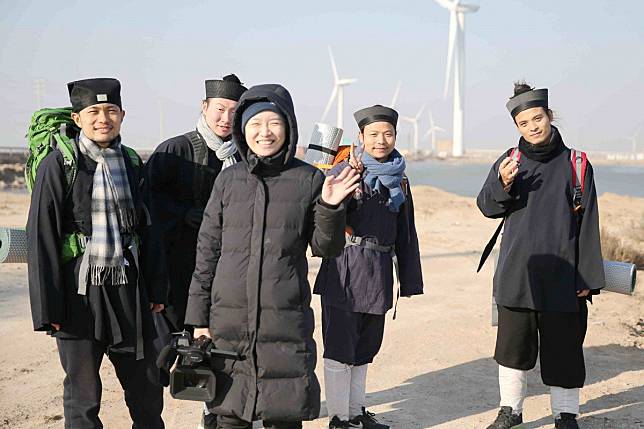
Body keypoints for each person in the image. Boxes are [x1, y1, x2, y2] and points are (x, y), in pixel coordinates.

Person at [184, 83, 361, 429]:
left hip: (285, 323)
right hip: (228, 324)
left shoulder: (309, 178)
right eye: (255, 124)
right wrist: (198, 319)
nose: (264, 133)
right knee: (229, 416)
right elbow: (206, 253)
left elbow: (326, 247)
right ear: (242, 130)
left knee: (284, 416)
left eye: (274, 124)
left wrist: (330, 206)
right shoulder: (228, 181)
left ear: (288, 126)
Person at [27, 78, 167, 428]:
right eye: (93, 112)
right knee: (83, 397)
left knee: (147, 390)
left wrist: (158, 290)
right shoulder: (60, 165)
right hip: (78, 296)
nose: (103, 118)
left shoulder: (132, 162)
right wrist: (48, 308)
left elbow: (148, 229)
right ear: (77, 118)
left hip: (129, 290)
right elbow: (41, 236)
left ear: (122, 115)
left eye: (110, 111)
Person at [477, 82, 604, 429]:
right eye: (524, 123)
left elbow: (589, 222)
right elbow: (486, 207)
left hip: (564, 277)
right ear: (517, 127)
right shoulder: (509, 161)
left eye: (538, 118)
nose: (533, 126)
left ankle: (566, 415)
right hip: (518, 273)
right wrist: (502, 184)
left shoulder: (577, 163)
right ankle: (511, 411)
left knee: (564, 352)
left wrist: (587, 279)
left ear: (549, 115)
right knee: (512, 351)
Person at [313, 105, 424, 429]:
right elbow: (327, 216)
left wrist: (410, 279)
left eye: (387, 133)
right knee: (339, 346)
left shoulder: (400, 180)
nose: (381, 140)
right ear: (360, 137)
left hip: (378, 273)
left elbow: (406, 232)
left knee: (366, 346)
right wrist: (350, 182)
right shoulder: (342, 170)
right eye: (373, 134)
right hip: (345, 268)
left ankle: (357, 412)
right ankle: (338, 418)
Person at [143, 74, 247, 334]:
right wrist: (185, 214)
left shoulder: (245, 156)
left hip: (227, 267)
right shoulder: (174, 150)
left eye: (234, 112)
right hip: (178, 267)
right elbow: (148, 202)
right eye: (220, 109)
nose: (226, 119)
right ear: (205, 106)